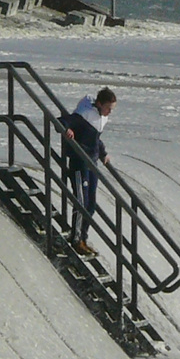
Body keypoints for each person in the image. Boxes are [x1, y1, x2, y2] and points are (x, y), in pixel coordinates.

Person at [60, 87, 116, 255]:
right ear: (99, 104)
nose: (109, 112)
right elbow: (63, 121)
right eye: (108, 108)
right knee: (81, 203)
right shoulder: (85, 114)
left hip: (92, 164)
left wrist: (103, 153)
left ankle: (83, 238)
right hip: (79, 163)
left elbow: (95, 138)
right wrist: (67, 129)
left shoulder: (100, 118)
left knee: (91, 205)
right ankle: (76, 239)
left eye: (112, 109)